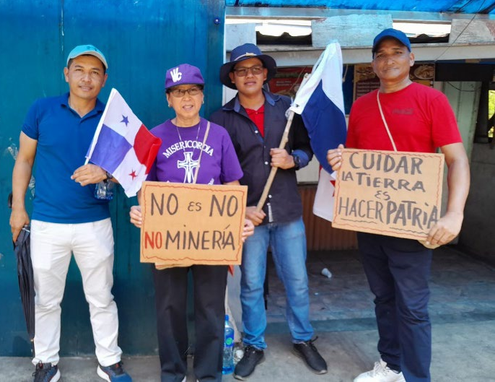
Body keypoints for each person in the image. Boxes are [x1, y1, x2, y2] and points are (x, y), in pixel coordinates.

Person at [328, 28, 470, 382]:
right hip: (371, 222)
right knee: (383, 298)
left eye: (396, 51)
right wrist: (340, 159)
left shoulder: (431, 100)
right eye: (381, 54)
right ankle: (391, 366)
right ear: (373, 64)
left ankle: (417, 376)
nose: (388, 59)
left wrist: (454, 212)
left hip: (413, 223)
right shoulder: (360, 106)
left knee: (413, 307)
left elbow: (458, 160)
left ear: (411, 59)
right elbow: (356, 160)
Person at [9, 45, 131, 382]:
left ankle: (109, 361)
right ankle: (46, 362)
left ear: (104, 79)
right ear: (67, 74)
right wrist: (18, 208)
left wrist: (104, 172)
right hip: (47, 222)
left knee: (101, 297)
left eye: (94, 72)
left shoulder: (113, 118)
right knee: (46, 299)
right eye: (79, 69)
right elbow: (24, 159)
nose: (86, 77)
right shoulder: (42, 110)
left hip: (95, 223)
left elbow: (131, 170)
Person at [129, 63, 254, 382]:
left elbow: (231, 187)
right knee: (169, 309)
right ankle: (172, 372)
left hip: (211, 238)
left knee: (211, 310)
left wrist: (238, 221)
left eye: (193, 91)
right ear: (168, 99)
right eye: (178, 92)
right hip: (168, 237)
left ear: (202, 96)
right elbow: (147, 188)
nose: (187, 98)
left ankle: (208, 374)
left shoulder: (219, 134)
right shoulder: (155, 136)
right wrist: (141, 212)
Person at [210, 43, 328, 380]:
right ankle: (254, 344)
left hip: (288, 212)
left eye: (255, 69)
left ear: (265, 74)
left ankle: (303, 338)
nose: (249, 75)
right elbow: (215, 173)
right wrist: (241, 208)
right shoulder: (221, 120)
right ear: (233, 78)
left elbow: (308, 148)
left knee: (298, 282)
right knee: (250, 284)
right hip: (249, 219)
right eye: (241, 70)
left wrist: (294, 160)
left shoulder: (289, 110)